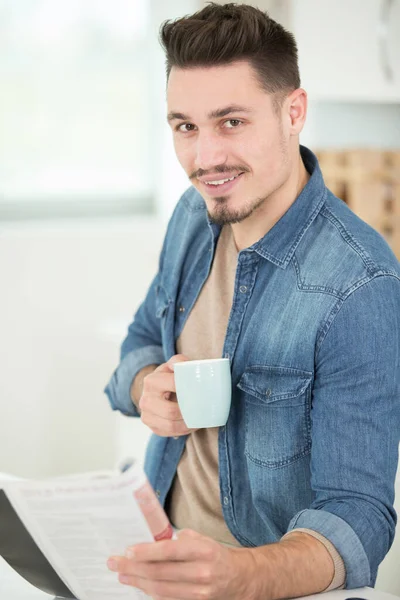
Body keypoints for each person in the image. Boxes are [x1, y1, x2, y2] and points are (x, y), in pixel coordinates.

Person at [105, 3, 400, 598]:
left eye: (231, 122)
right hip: (159, 557)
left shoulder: (360, 285)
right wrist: (147, 392)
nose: (205, 159)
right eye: (185, 126)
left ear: (294, 111)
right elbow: (137, 344)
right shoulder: (194, 216)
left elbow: (359, 517)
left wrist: (241, 573)